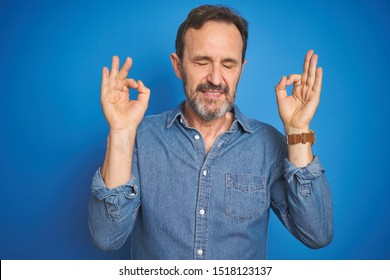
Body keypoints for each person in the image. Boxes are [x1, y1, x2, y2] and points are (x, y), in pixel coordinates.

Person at [88, 4, 333, 260]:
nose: (215, 78)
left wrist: (297, 129)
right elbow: (106, 237)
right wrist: (121, 132)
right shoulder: (141, 138)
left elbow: (317, 234)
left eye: (228, 64)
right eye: (202, 62)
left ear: (241, 68)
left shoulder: (267, 144)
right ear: (178, 65)